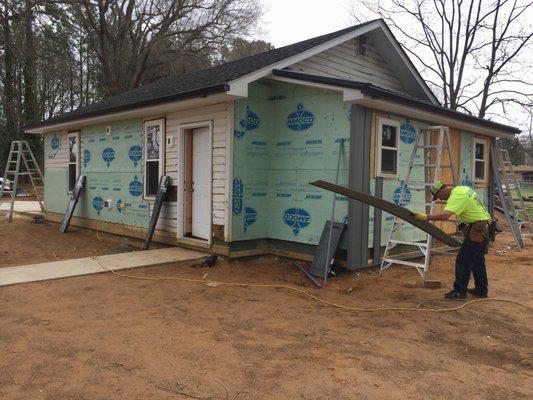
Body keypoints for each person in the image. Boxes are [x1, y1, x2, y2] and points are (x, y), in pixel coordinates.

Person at [413, 181, 491, 299]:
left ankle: (460, 291)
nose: (440, 199)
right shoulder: (463, 189)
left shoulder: (457, 195)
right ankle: (481, 290)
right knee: (478, 261)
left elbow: (446, 215)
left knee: (463, 261)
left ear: (441, 191)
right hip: (484, 226)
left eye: (438, 196)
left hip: (477, 229)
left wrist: (426, 217)